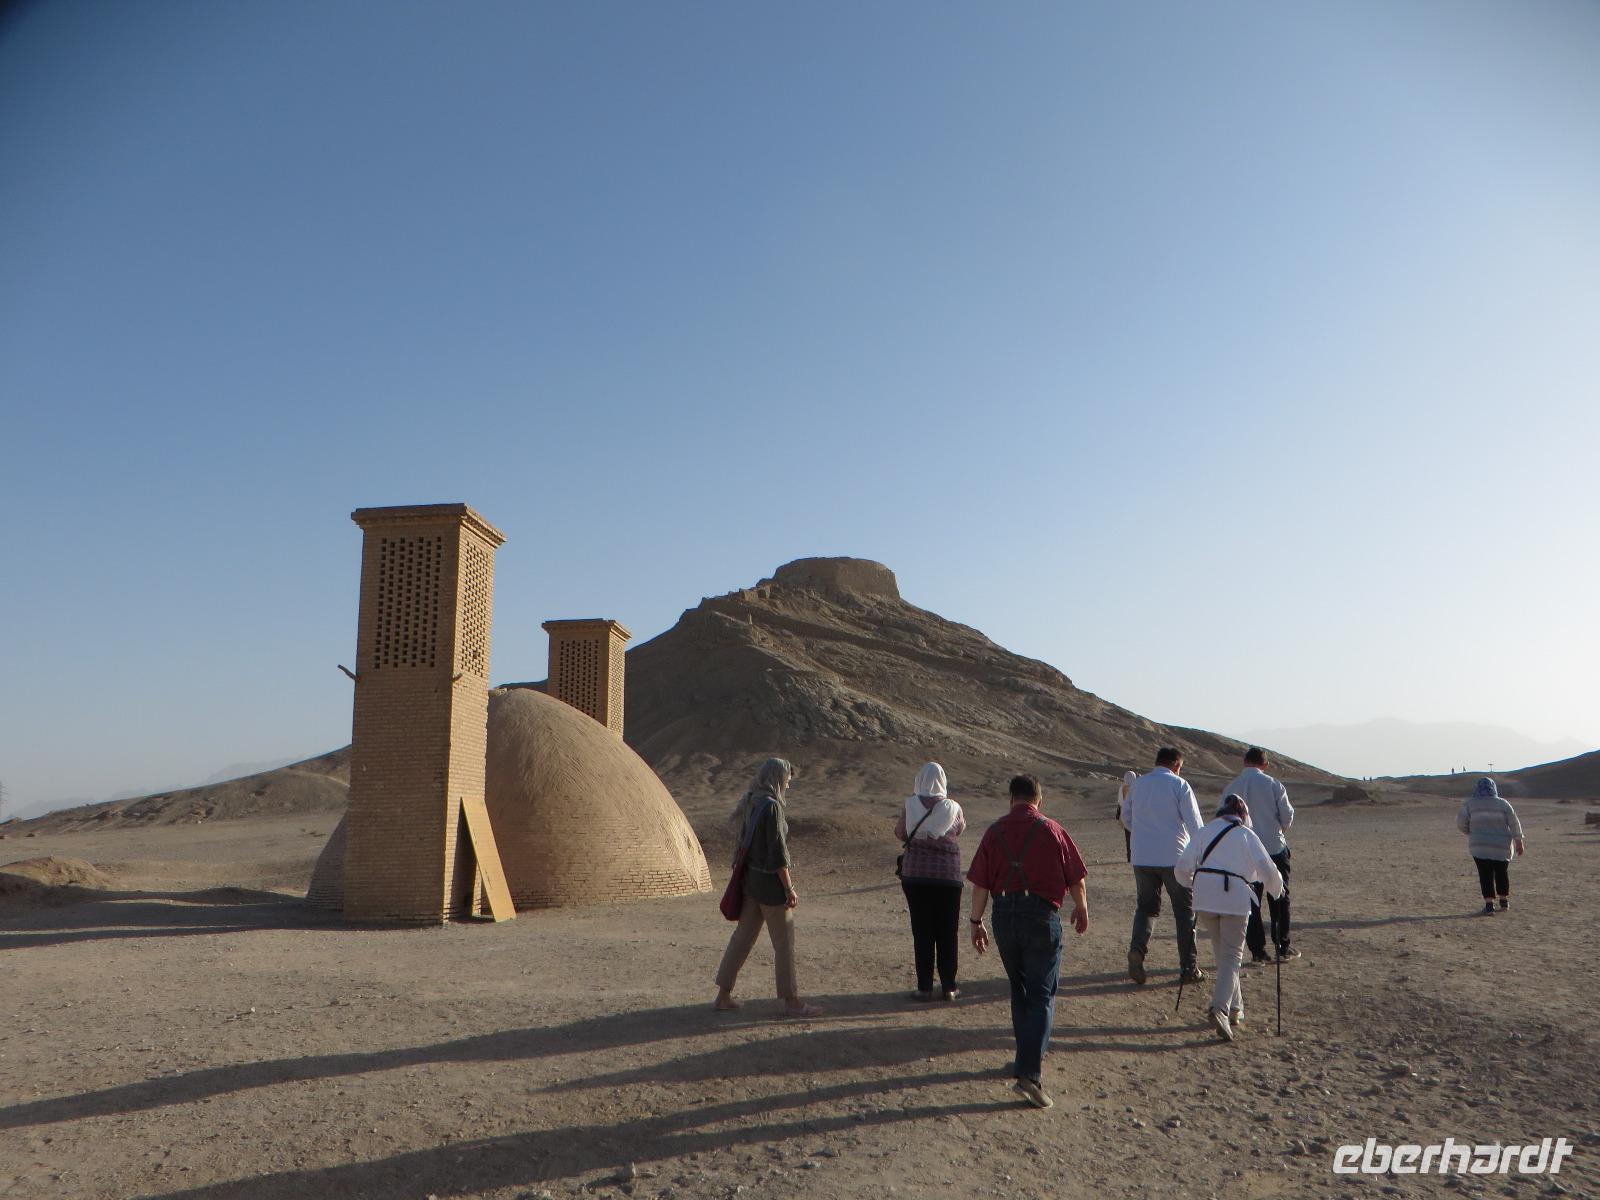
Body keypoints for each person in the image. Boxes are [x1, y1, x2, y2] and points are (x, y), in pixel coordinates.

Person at [967, 774, 1089, 1110]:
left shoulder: (994, 832)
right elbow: (1076, 878)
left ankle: (1025, 1059)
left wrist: (975, 923)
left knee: (1019, 989)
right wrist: (1081, 907)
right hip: (1041, 915)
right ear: (1039, 799)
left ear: (1011, 799)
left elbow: (980, 884)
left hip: (1003, 915)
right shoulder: (1052, 830)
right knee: (1041, 994)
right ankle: (1030, 1075)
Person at [713, 758, 822, 1017]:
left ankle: (723, 995)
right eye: (787, 781)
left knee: (741, 939)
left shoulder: (752, 800)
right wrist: (789, 888)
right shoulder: (772, 807)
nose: (788, 785)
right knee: (784, 944)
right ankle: (792, 1002)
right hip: (770, 888)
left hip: (750, 882)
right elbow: (778, 854)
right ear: (776, 778)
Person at [1176, 794, 1285, 1042]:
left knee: (1222, 953)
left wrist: (1196, 885)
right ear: (1243, 815)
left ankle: (1236, 1009)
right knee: (1232, 956)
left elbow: (1182, 868)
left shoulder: (1204, 832)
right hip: (1233, 896)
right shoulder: (1246, 834)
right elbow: (1268, 870)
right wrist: (1277, 891)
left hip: (1204, 897)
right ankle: (1220, 1009)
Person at [1122, 747, 1205, 986]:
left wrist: (1143, 832)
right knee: (1184, 912)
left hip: (1142, 857)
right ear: (1177, 765)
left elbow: (1126, 817)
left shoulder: (1139, 784)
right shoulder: (1179, 785)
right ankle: (1188, 967)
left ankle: (1137, 949)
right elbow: (1195, 824)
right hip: (1174, 857)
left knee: (1146, 908)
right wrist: (1200, 853)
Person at [895, 762, 967, 1001]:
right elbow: (959, 830)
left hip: (916, 877)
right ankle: (949, 987)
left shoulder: (911, 805)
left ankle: (924, 987)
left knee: (922, 932)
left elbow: (900, 833)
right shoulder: (953, 807)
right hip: (948, 878)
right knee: (948, 932)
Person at [1224, 747, 1298, 963]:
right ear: (1265, 765)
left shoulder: (1232, 787)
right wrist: (1279, 831)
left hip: (1244, 851)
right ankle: (1282, 945)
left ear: (1244, 761)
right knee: (1279, 895)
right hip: (1273, 847)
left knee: (1251, 900)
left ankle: (1257, 951)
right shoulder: (1274, 784)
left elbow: (1223, 818)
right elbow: (1287, 815)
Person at [1457, 777, 1525, 915]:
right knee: (1501, 872)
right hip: (1501, 846)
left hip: (1479, 846)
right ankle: (1504, 901)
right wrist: (1518, 841)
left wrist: (1472, 833)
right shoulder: (1503, 804)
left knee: (1485, 874)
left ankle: (1489, 905)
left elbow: (1461, 823)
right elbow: (1514, 823)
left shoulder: (1469, 804)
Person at [1116, 770, 1137, 862]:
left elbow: (1119, 801)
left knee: (1128, 837)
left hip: (1124, 815)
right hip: (1134, 815)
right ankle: (1135, 856)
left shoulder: (1121, 788)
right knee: (1135, 837)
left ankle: (1129, 856)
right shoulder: (1135, 787)